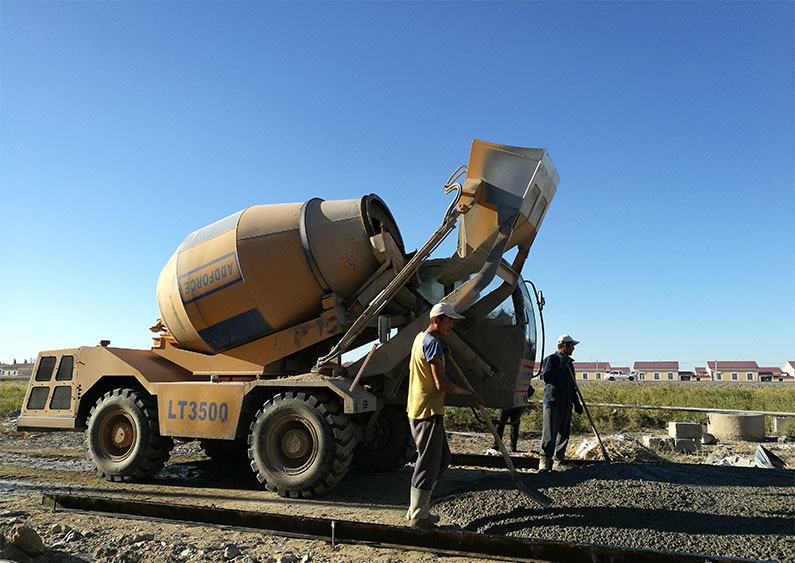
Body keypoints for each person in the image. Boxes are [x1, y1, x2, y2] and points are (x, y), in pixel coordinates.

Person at [405, 302, 474, 527]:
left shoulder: (420, 339)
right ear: (437, 320)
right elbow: (441, 383)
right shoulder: (432, 344)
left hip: (419, 407)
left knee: (442, 459)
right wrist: (468, 393)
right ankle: (418, 517)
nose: (451, 325)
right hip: (427, 411)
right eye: (449, 320)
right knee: (427, 464)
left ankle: (419, 509)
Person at [539, 334, 583, 472]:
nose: (573, 349)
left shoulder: (569, 363)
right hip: (553, 402)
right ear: (564, 346)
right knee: (550, 434)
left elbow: (572, 384)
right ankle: (544, 461)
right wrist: (561, 367)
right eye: (572, 346)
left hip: (566, 402)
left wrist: (576, 403)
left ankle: (559, 460)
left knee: (564, 433)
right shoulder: (551, 360)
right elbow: (547, 377)